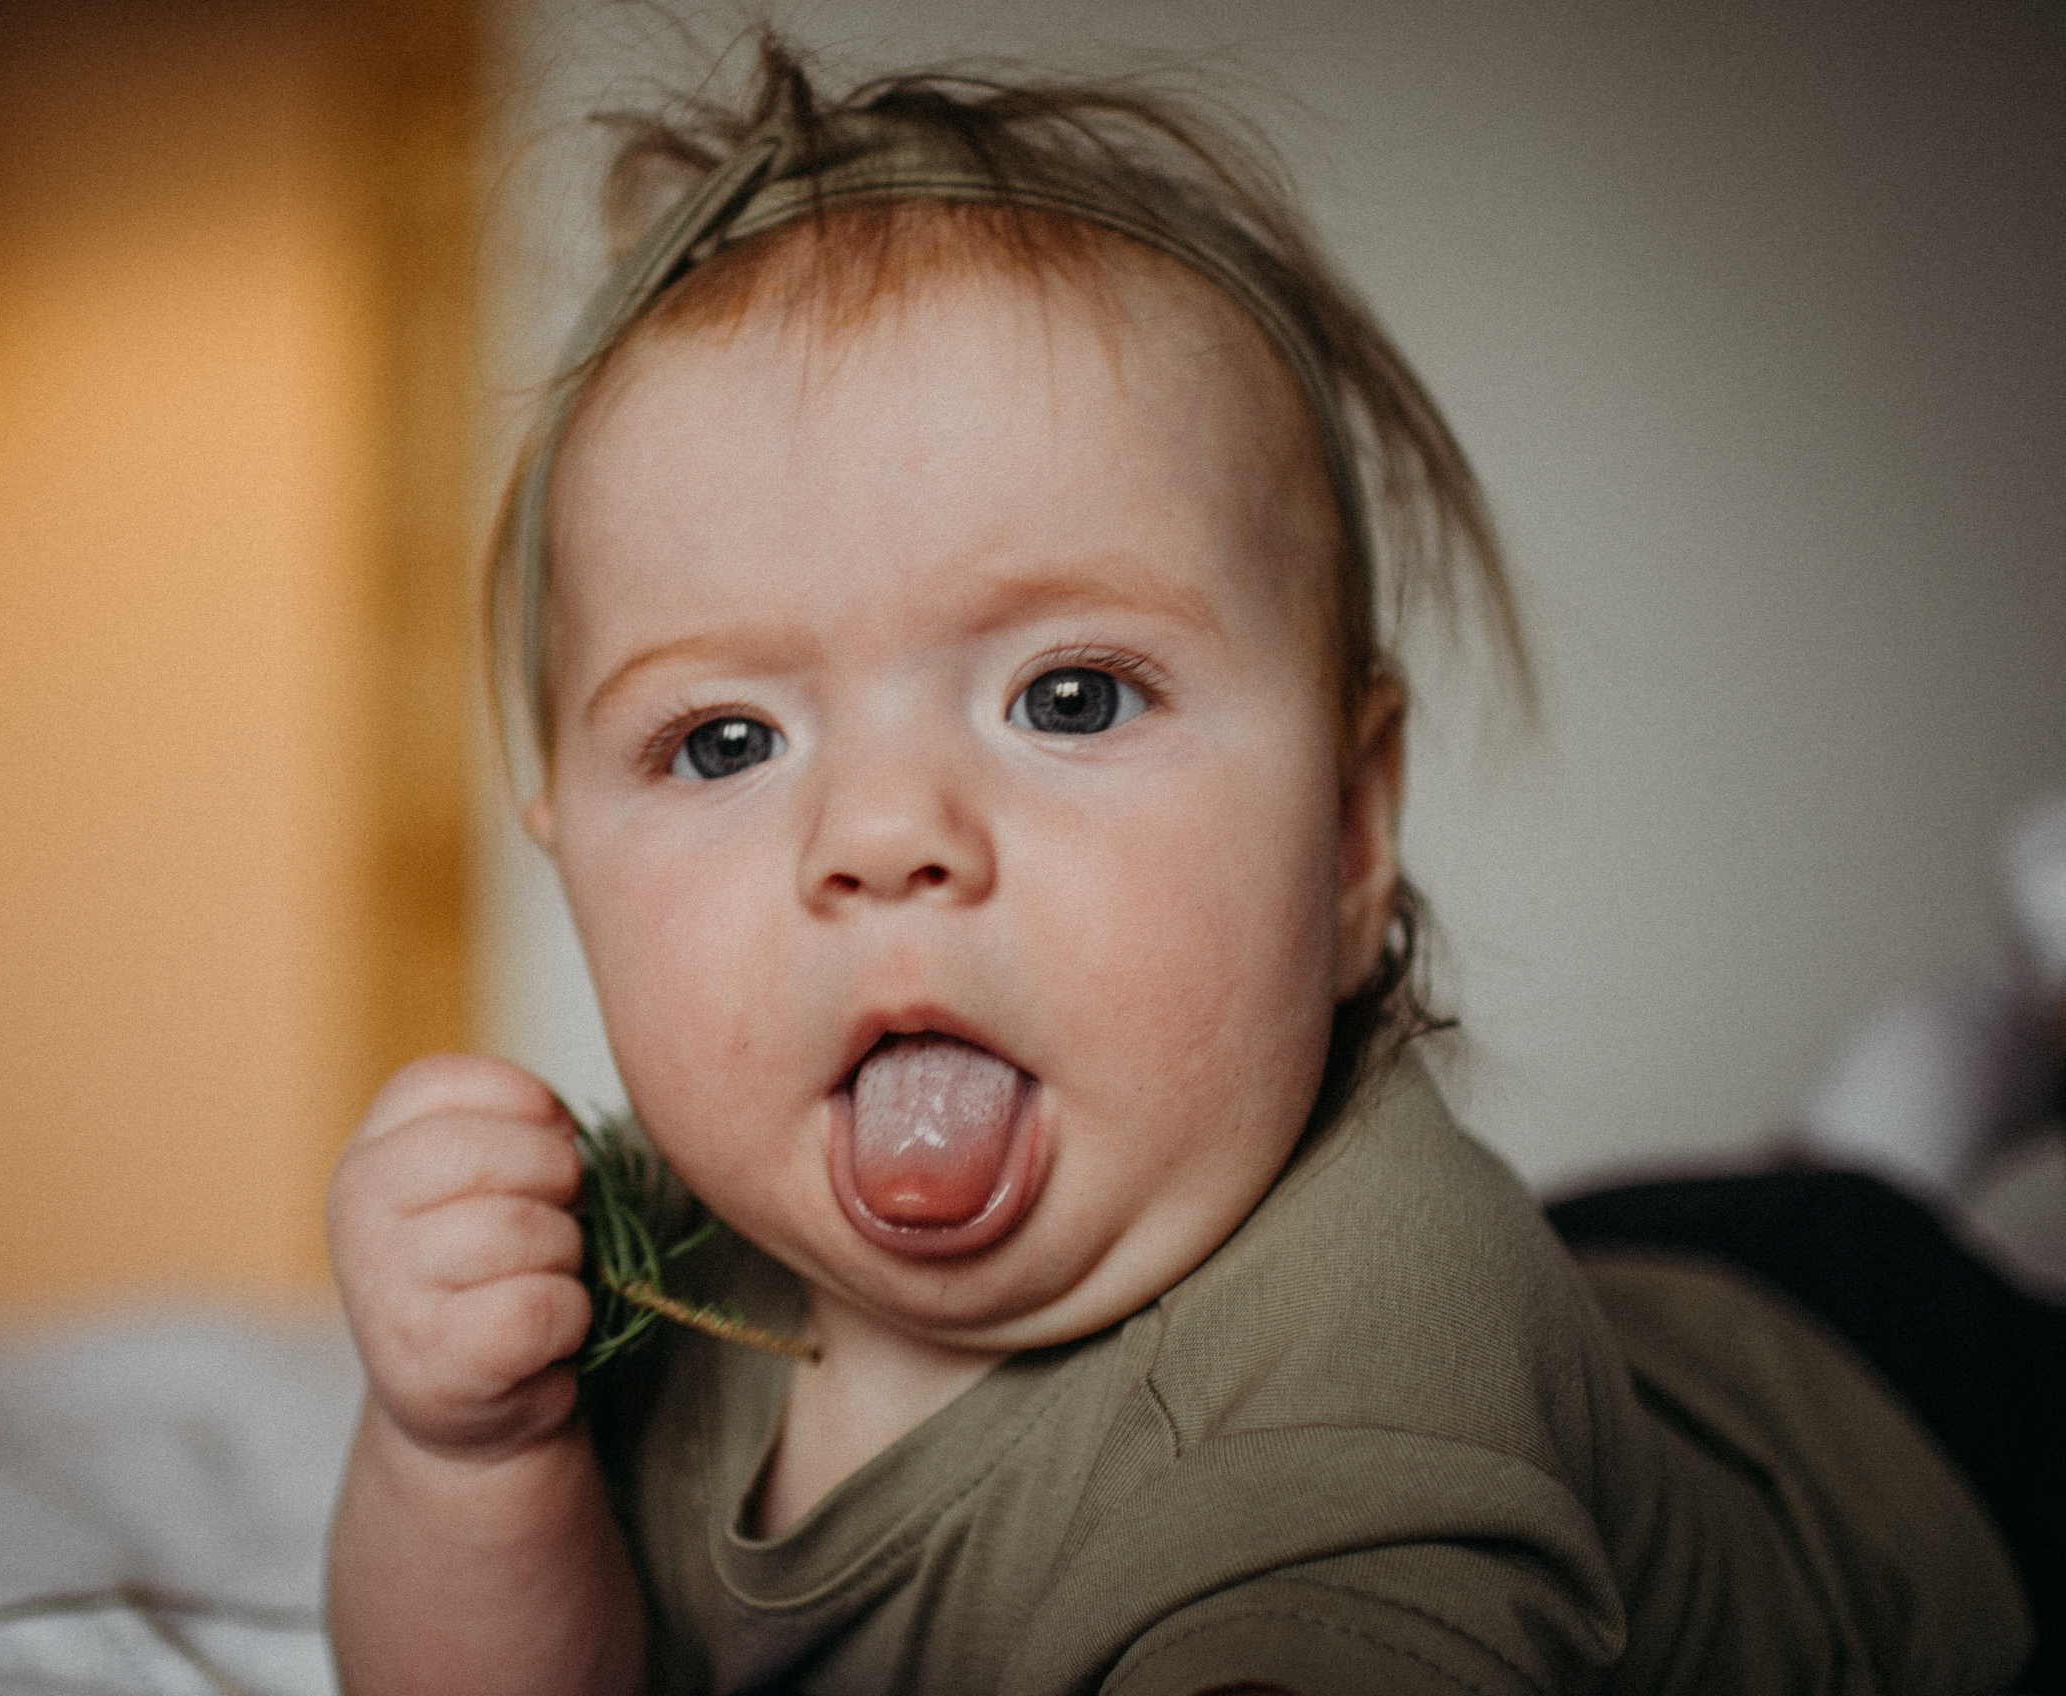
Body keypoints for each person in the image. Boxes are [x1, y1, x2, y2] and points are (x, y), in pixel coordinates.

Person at [320, 38, 2054, 1696]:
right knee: (1791, 1199)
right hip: (1641, 1288)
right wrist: (471, 1451)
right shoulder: (668, 1270)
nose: (879, 839)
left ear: (1356, 836)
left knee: (1868, 1247)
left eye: (1067, 698)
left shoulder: (1379, 1386)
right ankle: (1920, 1099)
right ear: (568, 850)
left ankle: (1955, 1087)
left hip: (1910, 1408)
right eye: (723, 743)